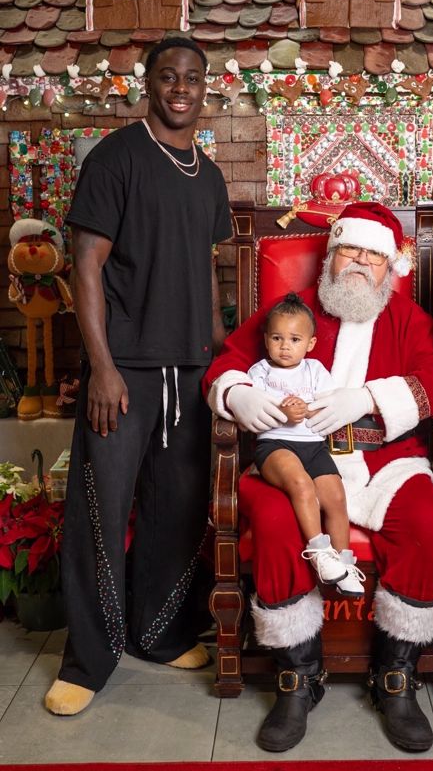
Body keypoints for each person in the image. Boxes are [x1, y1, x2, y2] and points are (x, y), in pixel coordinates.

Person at [204, 202, 433, 753]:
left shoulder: (407, 318)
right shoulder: (290, 315)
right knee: (275, 520)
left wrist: (368, 397)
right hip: (291, 456)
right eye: (350, 250)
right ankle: (298, 675)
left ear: (389, 266)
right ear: (331, 255)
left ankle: (396, 675)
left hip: (384, 461)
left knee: (427, 519)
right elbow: (226, 364)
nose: (361, 263)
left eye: (373, 255)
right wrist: (238, 394)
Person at [45, 36, 233, 716]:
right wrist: (101, 366)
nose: (181, 88)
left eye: (193, 78)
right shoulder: (115, 158)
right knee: (99, 513)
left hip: (189, 370)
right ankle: (87, 662)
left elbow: (206, 266)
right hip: (124, 370)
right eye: (168, 76)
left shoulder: (209, 176)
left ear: (205, 88)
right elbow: (86, 264)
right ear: (147, 83)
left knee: (175, 512)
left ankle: (158, 634)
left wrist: (220, 353)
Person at [249, 292, 365, 597]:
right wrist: (283, 412)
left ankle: (344, 565)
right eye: (277, 338)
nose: (285, 346)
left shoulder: (315, 370)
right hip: (275, 444)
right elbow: (254, 408)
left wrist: (308, 409)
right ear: (266, 339)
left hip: (313, 446)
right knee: (301, 485)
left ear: (310, 343)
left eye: (295, 339)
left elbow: (327, 404)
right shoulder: (260, 372)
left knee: (335, 496)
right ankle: (319, 552)